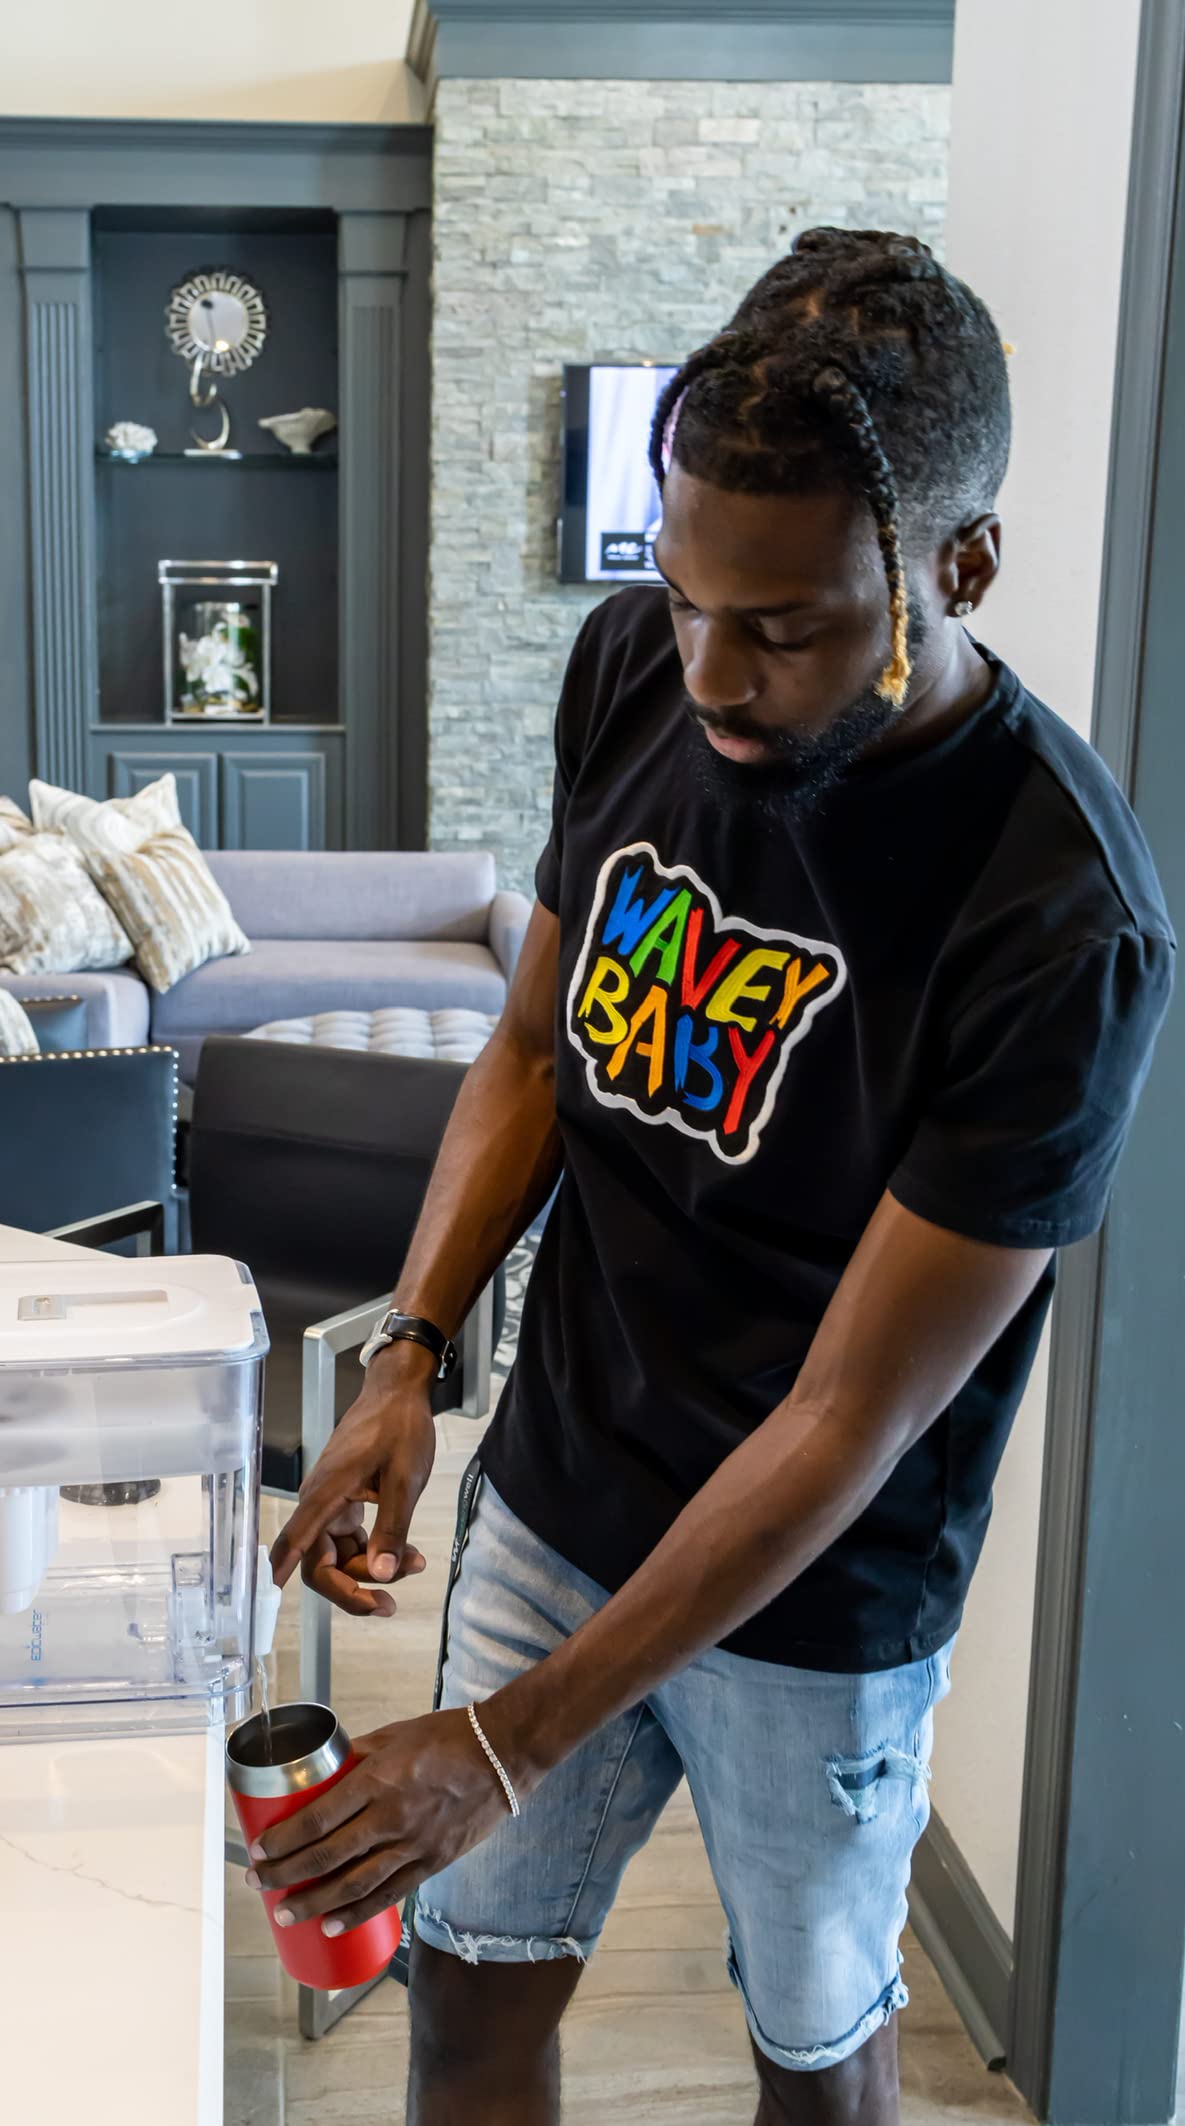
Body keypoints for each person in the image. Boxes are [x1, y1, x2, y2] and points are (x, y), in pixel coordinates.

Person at [252, 228, 1175, 2125]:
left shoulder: (1057, 914)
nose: (711, 672)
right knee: (469, 2001)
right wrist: (412, 1349)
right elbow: (531, 1043)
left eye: (785, 626)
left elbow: (847, 1417)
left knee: (813, 2061)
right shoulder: (636, 669)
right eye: (680, 597)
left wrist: (504, 1744)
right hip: (560, 1476)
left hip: (817, 1603)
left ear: (958, 566)